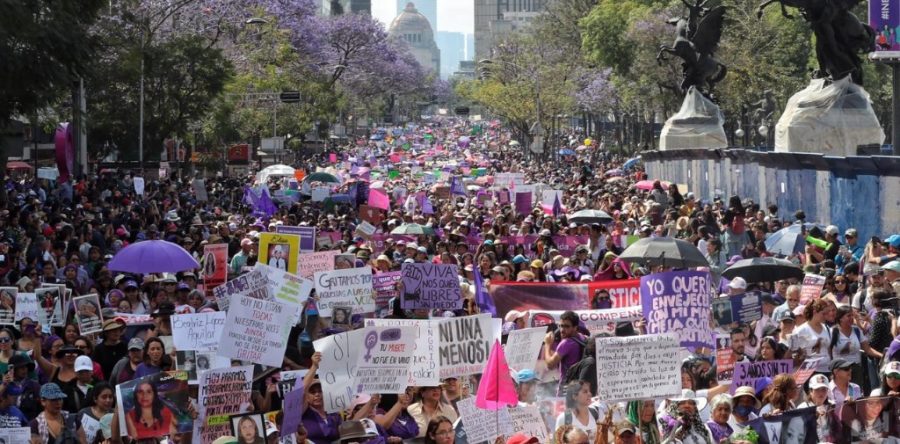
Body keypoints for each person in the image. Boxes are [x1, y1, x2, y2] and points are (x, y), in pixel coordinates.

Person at [544, 311, 586, 395]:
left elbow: (550, 365)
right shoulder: (583, 338)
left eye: (567, 326)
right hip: (580, 388)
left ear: (575, 327)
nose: (562, 330)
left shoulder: (566, 343)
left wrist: (547, 344)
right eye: (561, 326)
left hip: (566, 390)